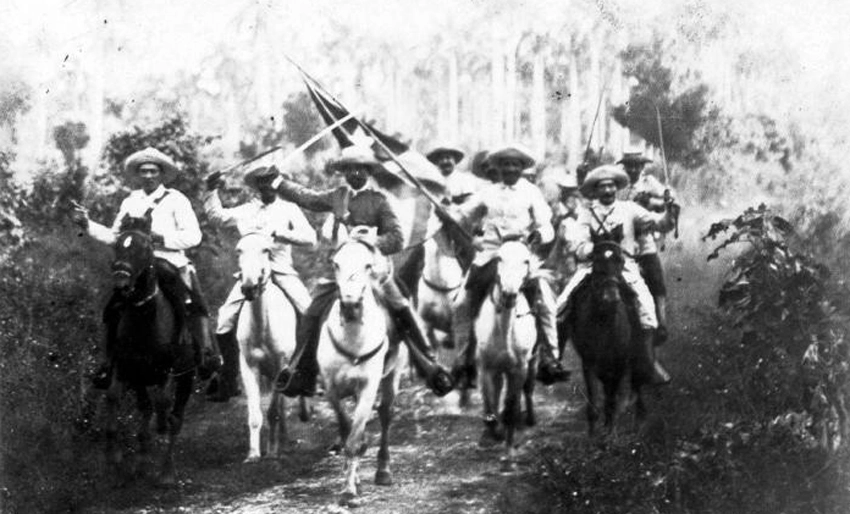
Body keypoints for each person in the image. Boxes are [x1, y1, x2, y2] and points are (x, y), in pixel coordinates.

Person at [273, 145, 455, 398]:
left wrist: (372, 240)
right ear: (344, 172)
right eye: (350, 169)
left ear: (368, 172)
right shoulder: (336, 196)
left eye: (361, 169)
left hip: (373, 269)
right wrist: (278, 182)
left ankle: (431, 366)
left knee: (401, 307)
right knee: (312, 313)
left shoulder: (379, 201)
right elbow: (307, 198)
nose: (356, 173)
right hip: (341, 268)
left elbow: (396, 239)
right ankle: (300, 371)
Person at [70, 147, 215, 388]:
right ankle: (106, 364)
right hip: (136, 265)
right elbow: (115, 237)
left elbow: (193, 236)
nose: (148, 176)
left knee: (194, 302)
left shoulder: (176, 199)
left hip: (168, 260)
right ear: (138, 175)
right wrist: (87, 224)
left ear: (161, 174)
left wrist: (159, 239)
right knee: (111, 305)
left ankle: (206, 355)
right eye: (143, 171)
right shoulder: (131, 201)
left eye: (153, 171)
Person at [440, 144, 571, 386]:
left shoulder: (531, 192)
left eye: (515, 165)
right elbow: (463, 214)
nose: (510, 169)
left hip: (520, 253)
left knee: (546, 302)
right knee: (461, 303)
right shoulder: (487, 193)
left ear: (521, 168)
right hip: (490, 255)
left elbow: (546, 225)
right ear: (498, 168)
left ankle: (550, 357)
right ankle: (462, 362)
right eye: (506, 165)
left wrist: (539, 235)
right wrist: (448, 211)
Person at [202, 165, 317, 402]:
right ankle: (229, 377)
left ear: (279, 182)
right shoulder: (246, 210)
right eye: (261, 182)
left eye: (271, 180)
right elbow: (217, 217)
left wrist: (281, 234)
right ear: (255, 186)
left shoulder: (289, 209)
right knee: (224, 319)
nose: (266, 185)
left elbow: (310, 239)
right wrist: (211, 191)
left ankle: (306, 375)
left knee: (310, 313)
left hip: (281, 270)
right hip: (251, 273)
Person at [556, 164, 677, 385]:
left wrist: (670, 209)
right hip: (594, 267)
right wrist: (593, 250)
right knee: (562, 303)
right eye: (602, 187)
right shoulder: (586, 213)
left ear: (616, 188)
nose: (608, 191)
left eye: (611, 186)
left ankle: (648, 362)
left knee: (647, 308)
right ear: (595, 190)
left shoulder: (629, 209)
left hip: (625, 266)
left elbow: (660, 223)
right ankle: (555, 358)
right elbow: (578, 243)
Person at [617, 151, 675, 343]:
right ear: (624, 167)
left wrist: (658, 201)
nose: (633, 169)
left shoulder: (650, 183)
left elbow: (665, 203)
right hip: (622, 240)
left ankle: (661, 323)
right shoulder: (618, 185)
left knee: (655, 277)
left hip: (644, 239)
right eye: (629, 165)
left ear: (642, 167)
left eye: (637, 165)